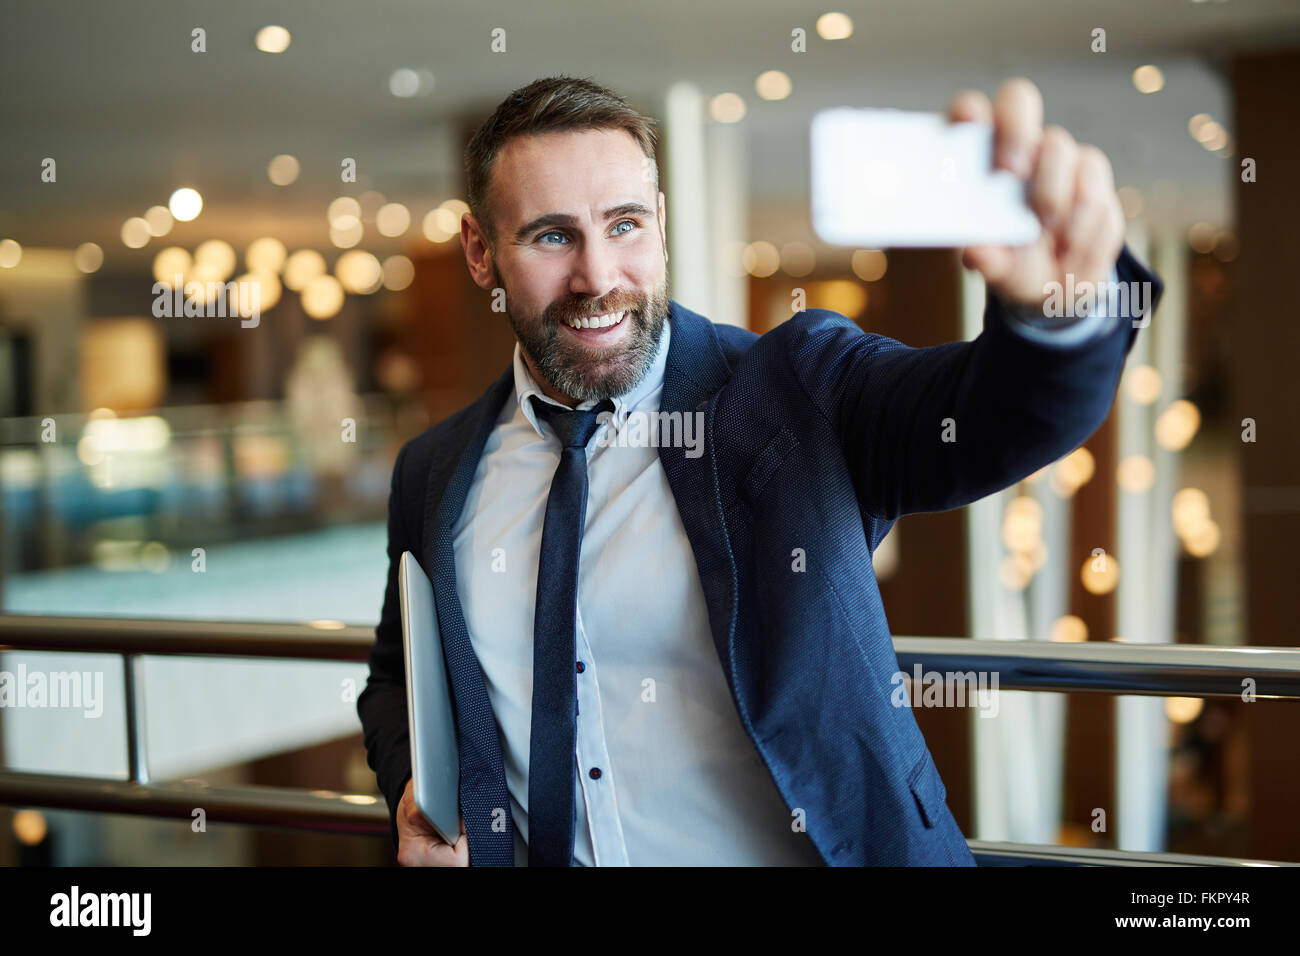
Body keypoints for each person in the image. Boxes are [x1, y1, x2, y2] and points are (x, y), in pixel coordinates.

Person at [357, 75, 1163, 866]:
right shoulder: (436, 471)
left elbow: (993, 418)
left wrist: (1057, 318)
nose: (598, 276)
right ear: (479, 251)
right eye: (552, 235)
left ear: (662, 225)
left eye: (626, 225)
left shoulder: (797, 389)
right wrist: (415, 793)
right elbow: (398, 679)